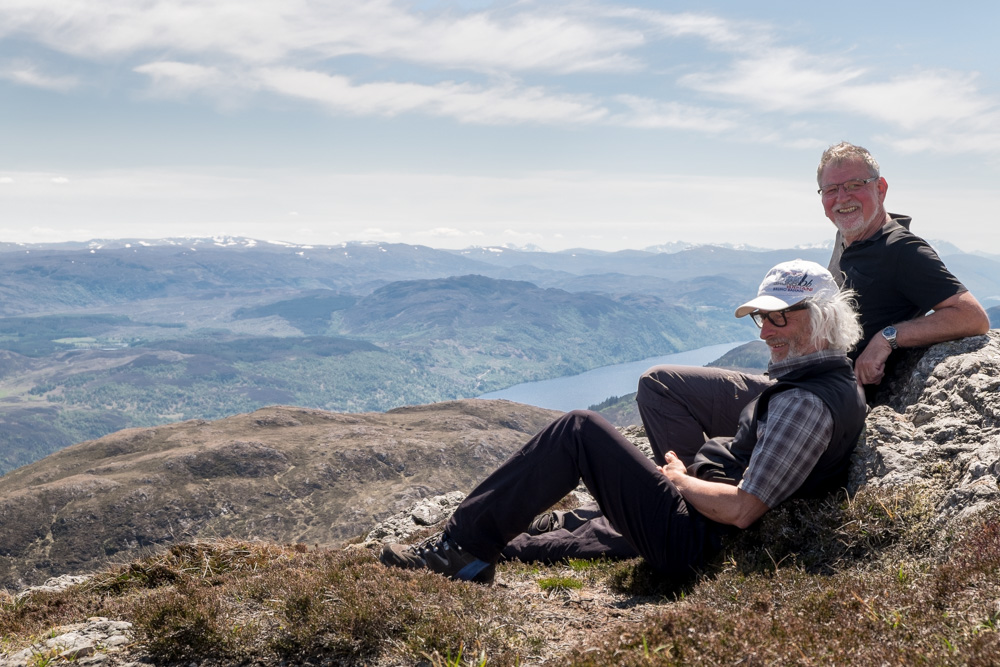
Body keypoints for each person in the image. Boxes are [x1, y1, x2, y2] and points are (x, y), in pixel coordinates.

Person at [378, 260, 867, 584]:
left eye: (778, 318)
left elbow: (742, 509)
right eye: (759, 318)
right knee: (574, 518)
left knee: (579, 430)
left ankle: (459, 550)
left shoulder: (803, 403)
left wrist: (676, 480)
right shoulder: (833, 379)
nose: (764, 331)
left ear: (820, 317)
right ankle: (530, 532)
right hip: (697, 520)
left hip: (695, 538)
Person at [818, 142, 989, 393]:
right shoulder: (848, 236)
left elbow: (971, 316)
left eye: (855, 185)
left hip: (837, 396)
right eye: (831, 189)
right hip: (814, 380)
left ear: (880, 188)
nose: (842, 198)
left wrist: (887, 337)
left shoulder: (902, 249)